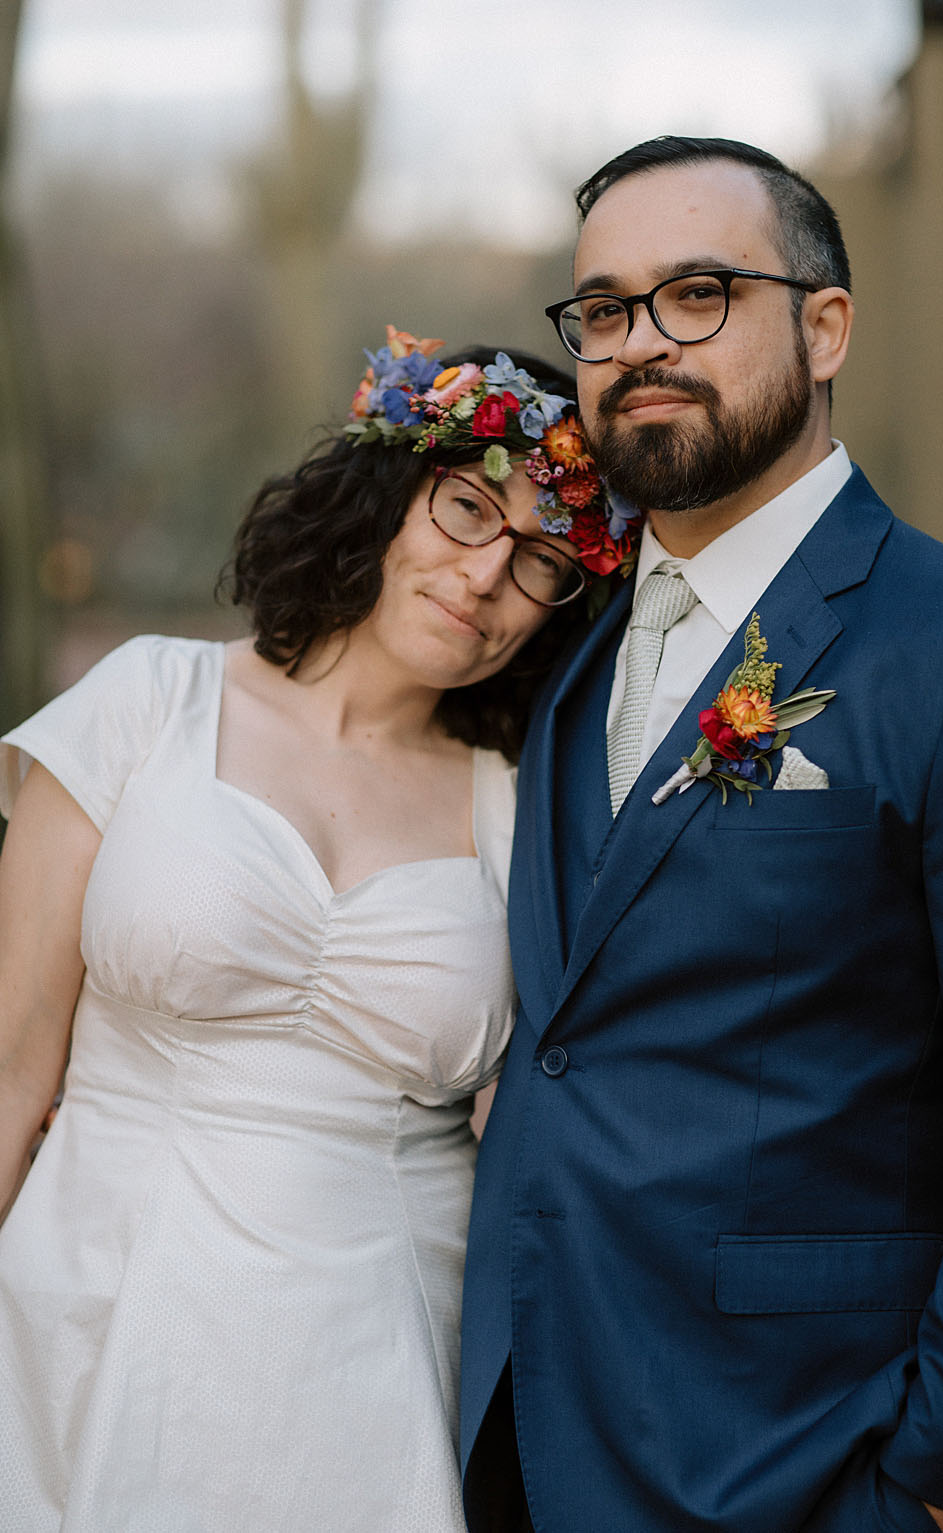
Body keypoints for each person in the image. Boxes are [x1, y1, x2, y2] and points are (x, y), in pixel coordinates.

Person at [457, 137, 943, 1533]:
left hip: (805, 1452)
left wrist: (937, 1478)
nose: (640, 344)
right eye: (603, 309)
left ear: (824, 326)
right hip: (525, 1427)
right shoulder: (562, 641)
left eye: (698, 293)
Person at [0, 332, 624, 1529]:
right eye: (463, 509)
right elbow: (14, 1065)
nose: (486, 577)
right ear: (386, 493)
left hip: (378, 1360)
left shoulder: (517, 808)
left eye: (545, 558)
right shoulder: (149, 701)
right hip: (95, 1303)